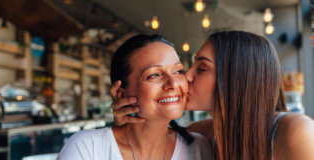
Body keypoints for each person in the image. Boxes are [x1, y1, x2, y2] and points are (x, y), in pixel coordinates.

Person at [110, 31, 314, 160]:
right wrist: (129, 123)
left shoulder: (294, 133)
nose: (186, 76)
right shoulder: (200, 135)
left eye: (202, 68)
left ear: (236, 78)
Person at [57, 34, 214, 160]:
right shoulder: (88, 147)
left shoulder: (198, 147)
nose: (173, 83)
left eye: (178, 71)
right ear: (121, 94)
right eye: (153, 75)